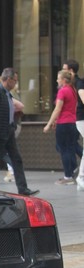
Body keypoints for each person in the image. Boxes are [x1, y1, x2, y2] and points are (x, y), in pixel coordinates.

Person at [0, 67, 38, 196]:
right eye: (15, 81)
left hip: (8, 132)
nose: (16, 84)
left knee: (16, 159)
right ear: (8, 79)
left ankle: (23, 188)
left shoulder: (7, 93)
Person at [43, 70, 80, 185]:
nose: (57, 80)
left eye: (58, 78)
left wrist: (49, 123)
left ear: (64, 80)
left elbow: (58, 108)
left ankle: (68, 176)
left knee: (64, 150)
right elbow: (74, 107)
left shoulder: (62, 91)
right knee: (70, 148)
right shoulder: (73, 90)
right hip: (72, 123)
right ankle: (73, 172)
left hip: (64, 124)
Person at [63, 60, 84, 191]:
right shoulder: (76, 83)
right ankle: (81, 177)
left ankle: (81, 176)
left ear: (71, 70)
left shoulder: (77, 82)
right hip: (81, 119)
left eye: (64, 69)